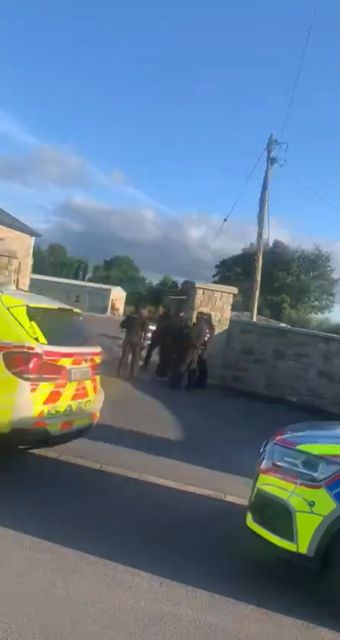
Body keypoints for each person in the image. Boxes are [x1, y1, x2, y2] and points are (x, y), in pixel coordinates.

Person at [117, 307, 148, 379]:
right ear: (144, 314)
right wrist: (144, 341)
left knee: (124, 356)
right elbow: (146, 331)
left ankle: (120, 373)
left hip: (128, 339)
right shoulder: (144, 320)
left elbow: (122, 325)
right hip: (137, 341)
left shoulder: (130, 317)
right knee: (135, 358)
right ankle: (133, 374)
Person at [143, 307, 170, 371]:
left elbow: (156, 321)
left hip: (159, 336)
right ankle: (159, 367)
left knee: (151, 351)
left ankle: (146, 364)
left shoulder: (162, 318)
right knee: (161, 353)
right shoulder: (167, 319)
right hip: (162, 337)